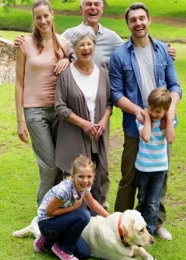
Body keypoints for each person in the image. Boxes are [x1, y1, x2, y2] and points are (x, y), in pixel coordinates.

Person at [15, 0, 176, 210]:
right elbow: (52, 57)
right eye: (87, 4)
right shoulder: (66, 36)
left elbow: (138, 41)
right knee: (56, 165)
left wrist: (166, 48)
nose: (92, 7)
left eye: (96, 4)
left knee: (101, 161)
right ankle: (50, 211)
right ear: (81, 9)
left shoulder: (106, 39)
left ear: (102, 8)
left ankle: (100, 204)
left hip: (98, 107)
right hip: (58, 107)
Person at [109, 2, 182, 240]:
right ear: (128, 24)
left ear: (149, 20)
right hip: (135, 126)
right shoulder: (120, 55)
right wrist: (138, 111)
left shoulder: (163, 51)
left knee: (161, 174)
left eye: (142, 18)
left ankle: (156, 223)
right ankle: (119, 223)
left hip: (162, 126)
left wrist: (170, 112)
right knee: (129, 176)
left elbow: (175, 86)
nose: (138, 23)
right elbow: (116, 93)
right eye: (133, 20)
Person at [15, 0, 72, 205]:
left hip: (58, 110)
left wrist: (68, 60)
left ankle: (54, 211)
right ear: (34, 19)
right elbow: (19, 82)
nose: (43, 20)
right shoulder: (24, 44)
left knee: (59, 163)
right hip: (35, 112)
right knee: (49, 165)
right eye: (38, 17)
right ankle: (42, 212)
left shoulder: (63, 43)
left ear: (52, 15)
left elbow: (79, 64)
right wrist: (20, 121)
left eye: (46, 16)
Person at [55, 26, 112, 210]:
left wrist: (103, 121)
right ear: (75, 49)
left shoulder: (102, 73)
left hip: (98, 136)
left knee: (99, 178)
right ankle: (76, 219)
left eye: (89, 44)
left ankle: (98, 221)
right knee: (76, 181)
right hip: (74, 136)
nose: (86, 48)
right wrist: (83, 123)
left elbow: (110, 102)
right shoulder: (66, 74)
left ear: (94, 47)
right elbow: (59, 106)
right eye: (81, 45)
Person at [34, 155, 109, 260]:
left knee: (84, 254)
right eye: (81, 176)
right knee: (84, 215)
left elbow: (92, 203)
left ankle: (46, 241)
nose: (85, 180)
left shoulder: (85, 186)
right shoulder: (64, 190)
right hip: (46, 223)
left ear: (94, 176)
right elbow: (49, 212)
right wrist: (73, 208)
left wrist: (110, 217)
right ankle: (62, 249)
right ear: (73, 176)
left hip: (60, 221)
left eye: (89, 176)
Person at [135, 88, 175, 236]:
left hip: (159, 168)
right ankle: (138, 227)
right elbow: (145, 136)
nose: (154, 114)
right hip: (143, 167)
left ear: (165, 111)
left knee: (153, 201)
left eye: (158, 112)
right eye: (152, 109)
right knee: (142, 198)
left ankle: (149, 230)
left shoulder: (167, 121)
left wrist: (169, 120)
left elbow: (170, 139)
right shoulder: (142, 118)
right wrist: (147, 119)